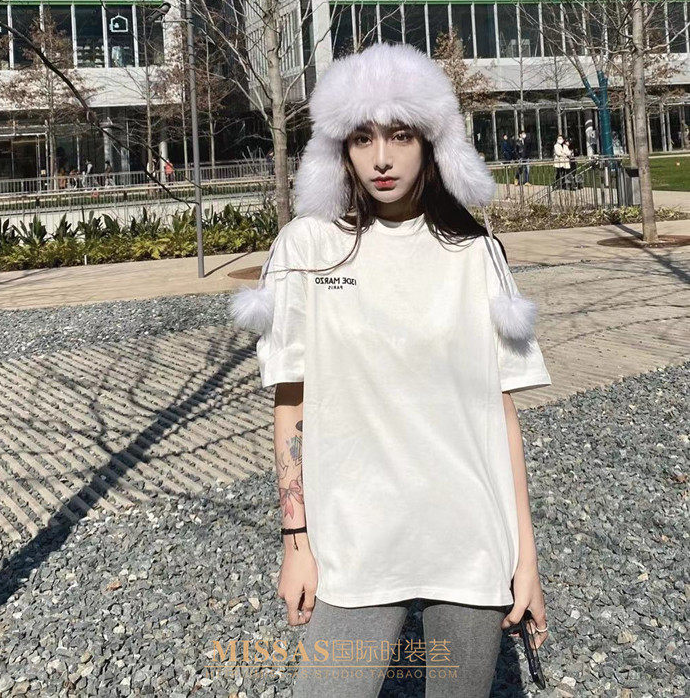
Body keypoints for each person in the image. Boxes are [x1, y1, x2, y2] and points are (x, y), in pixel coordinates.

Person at [230, 43, 551, 697]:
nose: (381, 158)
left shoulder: (476, 253)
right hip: (355, 541)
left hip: (469, 536)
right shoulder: (308, 247)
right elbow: (291, 403)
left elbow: (501, 412)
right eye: (362, 138)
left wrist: (526, 557)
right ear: (339, 149)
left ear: (432, 141)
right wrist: (297, 543)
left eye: (400, 135)